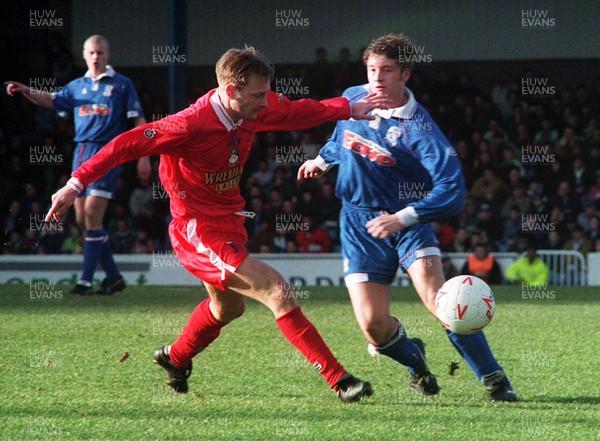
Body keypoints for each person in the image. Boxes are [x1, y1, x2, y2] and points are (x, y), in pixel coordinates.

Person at [45, 46, 387, 403]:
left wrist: (348, 108)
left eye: (266, 93)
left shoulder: (253, 109)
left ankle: (175, 358)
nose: (265, 102)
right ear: (230, 91)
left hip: (229, 221)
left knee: (229, 308)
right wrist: (75, 184)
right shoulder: (188, 124)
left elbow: (297, 112)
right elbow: (125, 144)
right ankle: (341, 381)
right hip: (197, 229)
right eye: (257, 95)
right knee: (277, 291)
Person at [298, 33, 517, 401]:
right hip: (358, 222)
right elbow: (342, 134)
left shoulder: (420, 129)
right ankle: (418, 365)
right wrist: (322, 160)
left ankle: (495, 380)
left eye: (386, 71)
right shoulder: (354, 97)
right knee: (373, 327)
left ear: (405, 75)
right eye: (371, 70)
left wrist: (404, 218)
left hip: (407, 225)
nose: (377, 79)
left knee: (443, 302)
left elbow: (452, 188)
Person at [6, 35, 148, 295]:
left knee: (93, 214)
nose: (96, 57)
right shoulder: (77, 86)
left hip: (108, 152)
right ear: (84, 55)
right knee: (83, 220)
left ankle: (84, 280)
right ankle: (114, 277)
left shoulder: (122, 84)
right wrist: (26, 90)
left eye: (101, 52)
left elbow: (138, 119)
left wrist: (144, 156)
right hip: (81, 152)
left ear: (108, 55)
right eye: (92, 52)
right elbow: (51, 99)